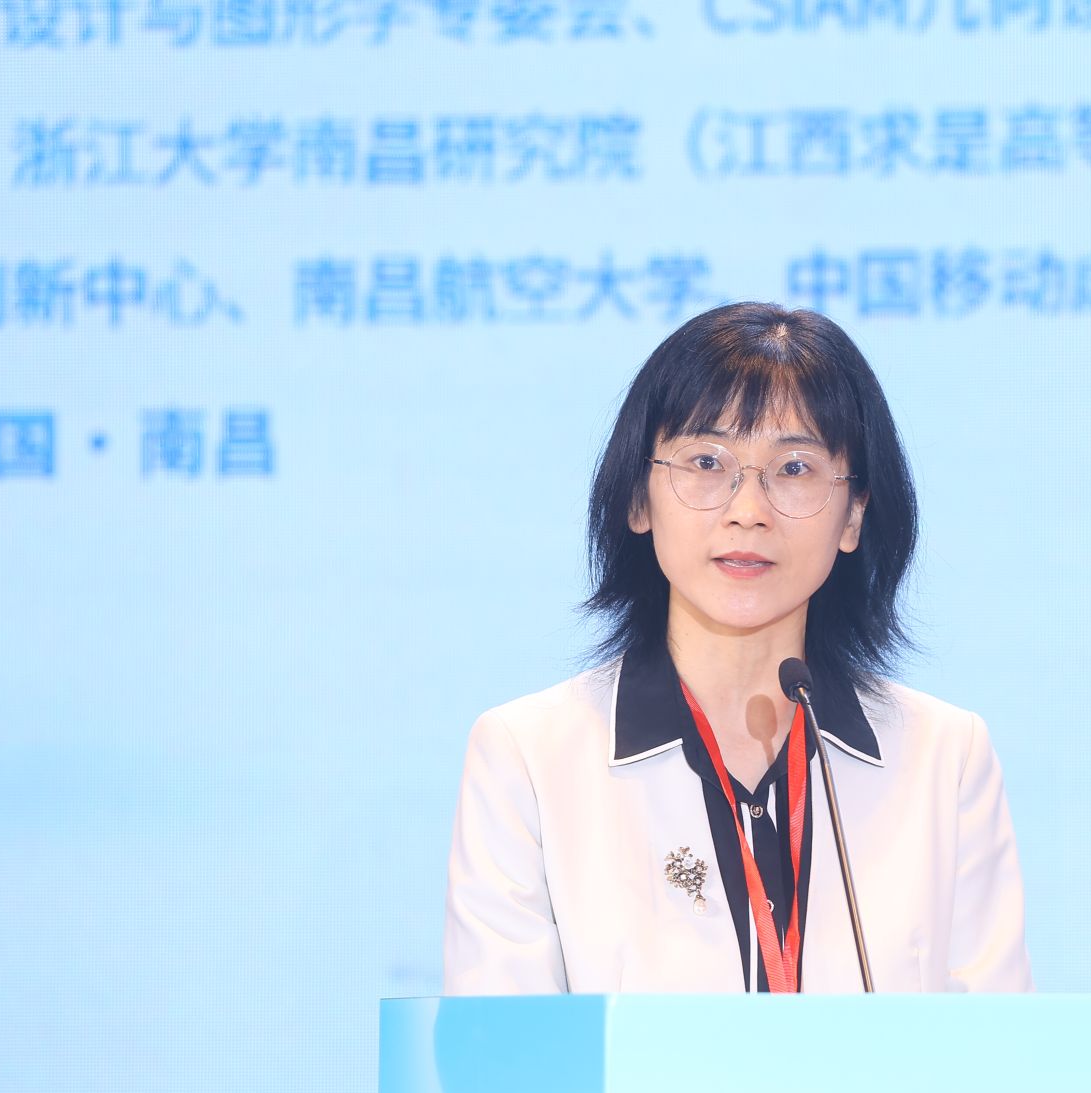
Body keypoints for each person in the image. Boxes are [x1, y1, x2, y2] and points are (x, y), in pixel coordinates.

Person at [442, 302, 1033, 994]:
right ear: (639, 499)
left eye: (794, 469)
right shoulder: (530, 757)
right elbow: (503, 1050)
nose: (748, 511)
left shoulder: (944, 758)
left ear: (854, 515)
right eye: (706, 461)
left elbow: (996, 1047)